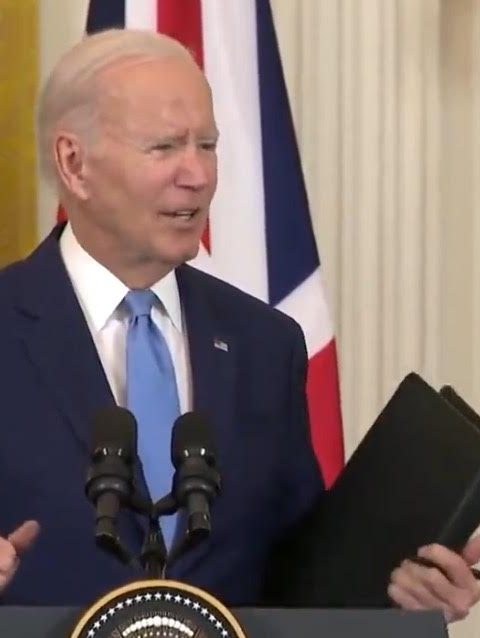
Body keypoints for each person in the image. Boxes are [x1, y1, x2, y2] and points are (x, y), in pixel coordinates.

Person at [0, 29, 478, 622]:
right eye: (165, 147)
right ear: (74, 163)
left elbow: (303, 585)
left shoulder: (264, 344)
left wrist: (405, 599)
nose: (198, 175)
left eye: (207, 145)